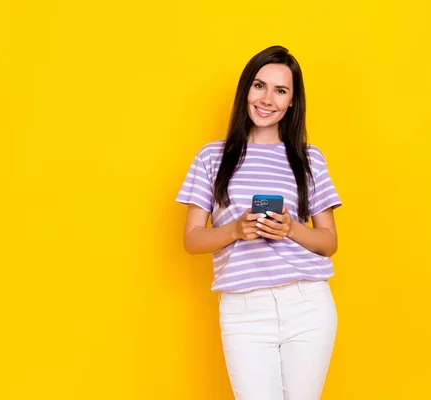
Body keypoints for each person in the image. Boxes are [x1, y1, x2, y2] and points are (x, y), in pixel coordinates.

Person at [176, 45, 342, 400]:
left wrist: (290, 229)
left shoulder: (308, 158)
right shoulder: (212, 157)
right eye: (259, 86)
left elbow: (329, 242)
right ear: (245, 91)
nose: (267, 99)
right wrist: (236, 230)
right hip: (243, 310)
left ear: (292, 102)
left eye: (281, 91)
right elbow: (192, 240)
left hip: (307, 303)